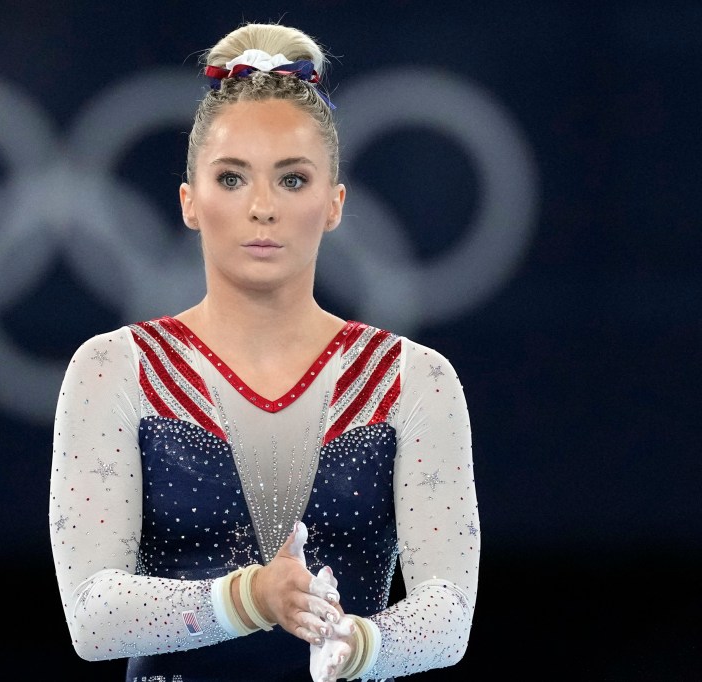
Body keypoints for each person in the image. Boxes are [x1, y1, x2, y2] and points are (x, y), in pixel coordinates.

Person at [48, 21, 479, 682]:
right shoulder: (115, 370)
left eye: (292, 180)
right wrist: (251, 598)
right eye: (231, 178)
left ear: (335, 204)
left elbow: (448, 615)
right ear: (190, 203)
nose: (262, 208)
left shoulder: (412, 381)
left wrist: (356, 644)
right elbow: (90, 615)